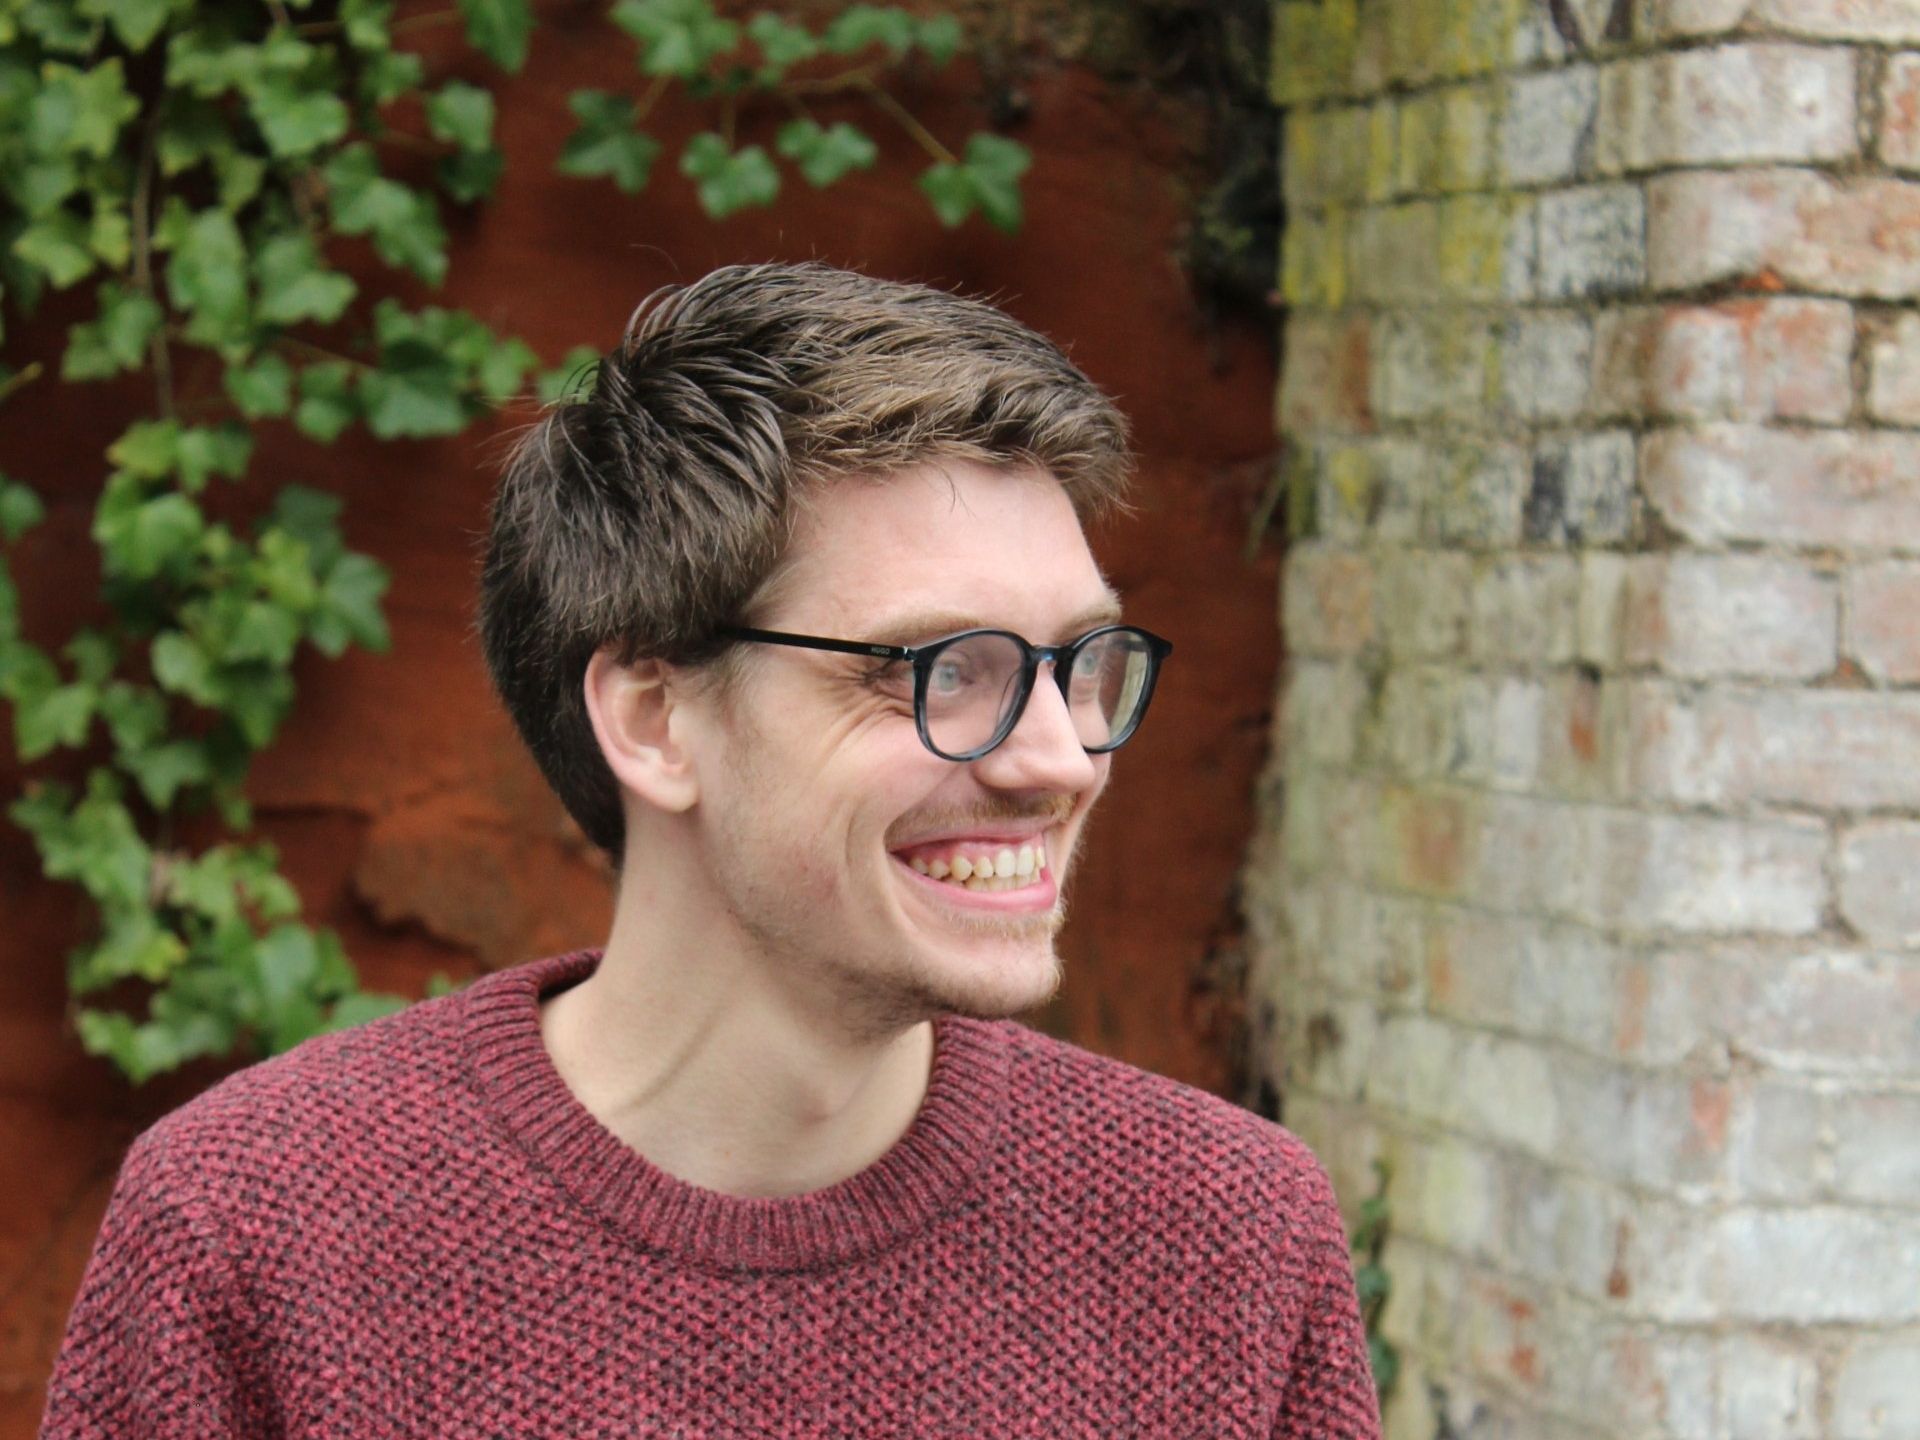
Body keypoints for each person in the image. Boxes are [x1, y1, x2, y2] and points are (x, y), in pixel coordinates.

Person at [40, 262, 1381, 1438]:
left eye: (1079, 664)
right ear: (654, 715)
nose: (1058, 758)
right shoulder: (259, 1228)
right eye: (941, 668)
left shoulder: (1225, 1239)